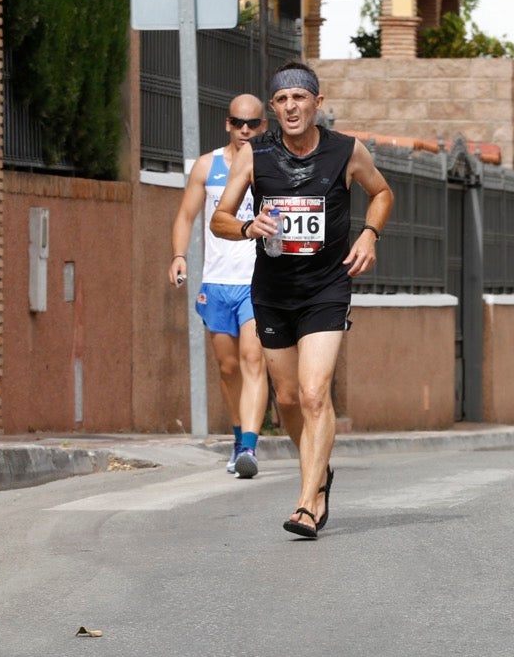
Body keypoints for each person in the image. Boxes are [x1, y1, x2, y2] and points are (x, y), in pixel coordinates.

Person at [209, 61, 394, 539]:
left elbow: (381, 193)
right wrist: (248, 226)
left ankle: (308, 501)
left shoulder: (346, 151)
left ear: (317, 102)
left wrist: (369, 235)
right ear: (274, 108)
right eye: (282, 100)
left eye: (300, 97)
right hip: (273, 290)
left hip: (326, 288)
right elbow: (219, 219)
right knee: (288, 399)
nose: (291, 106)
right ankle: (318, 469)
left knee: (314, 393)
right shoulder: (254, 155)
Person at [168, 94, 268, 477]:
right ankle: (238, 437)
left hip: (256, 281)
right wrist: (179, 255)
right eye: (238, 122)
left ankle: (250, 448)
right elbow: (186, 215)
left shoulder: (269, 164)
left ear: (263, 126)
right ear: (228, 124)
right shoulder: (207, 166)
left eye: (253, 124)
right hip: (217, 281)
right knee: (228, 368)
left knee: (253, 359)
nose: (245, 130)